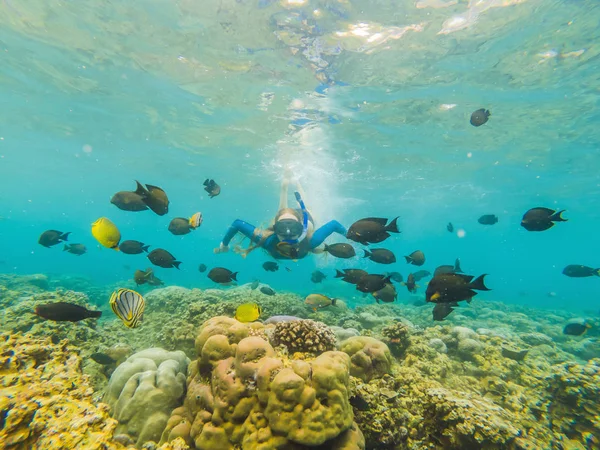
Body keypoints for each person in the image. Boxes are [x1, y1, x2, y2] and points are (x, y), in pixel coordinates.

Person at [214, 177, 347, 259]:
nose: (288, 233)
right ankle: (285, 188)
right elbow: (334, 225)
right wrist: (349, 235)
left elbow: (237, 224)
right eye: (283, 227)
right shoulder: (310, 242)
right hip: (295, 221)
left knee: (303, 209)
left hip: (303, 219)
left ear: (301, 228)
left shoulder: (267, 241)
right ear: (276, 229)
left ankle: (295, 185)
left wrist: (224, 244)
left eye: (293, 228)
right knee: (285, 211)